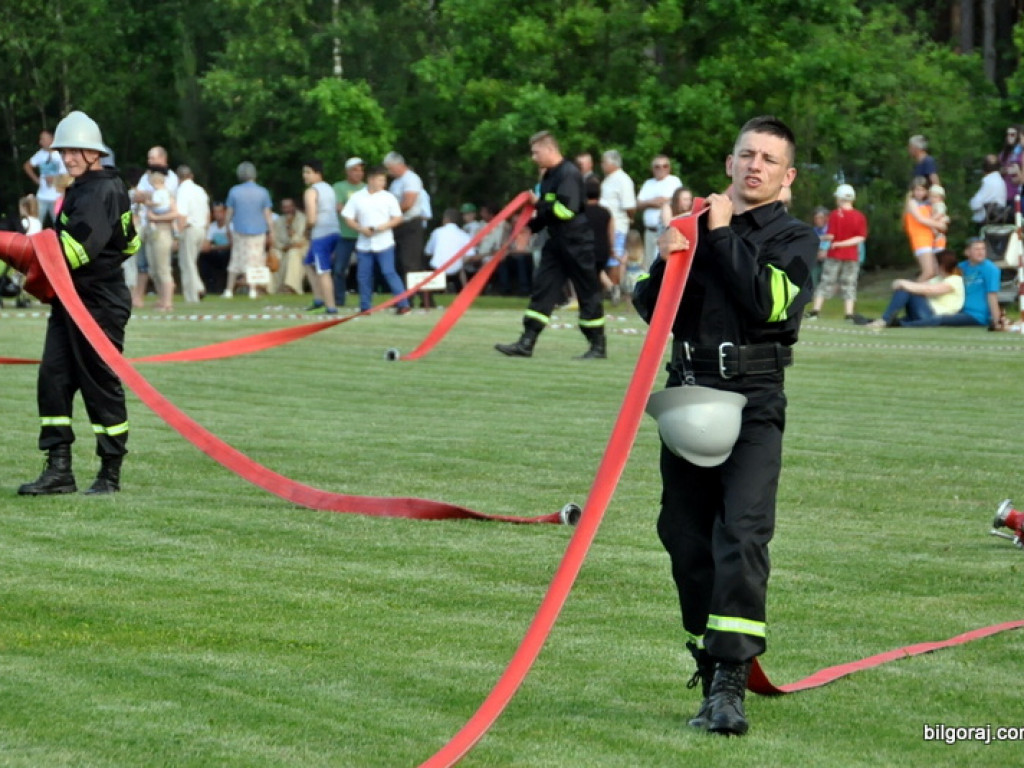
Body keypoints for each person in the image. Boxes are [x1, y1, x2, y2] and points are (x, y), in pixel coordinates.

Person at [633, 115, 818, 736]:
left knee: (741, 533)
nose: (755, 165)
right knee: (682, 535)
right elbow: (649, 305)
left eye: (768, 159)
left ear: (786, 176)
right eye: (746, 155)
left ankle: (730, 683)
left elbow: (770, 306)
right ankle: (706, 660)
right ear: (730, 163)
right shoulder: (689, 229)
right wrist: (664, 263)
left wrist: (717, 233)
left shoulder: (793, 235)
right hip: (689, 394)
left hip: (755, 398)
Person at [4, 111, 140, 495]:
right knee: (54, 379)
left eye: (78, 150)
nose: (69, 157)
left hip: (98, 305)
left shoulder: (100, 190)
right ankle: (58, 470)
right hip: (72, 300)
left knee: (99, 384)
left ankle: (109, 474)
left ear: (95, 153)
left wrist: (14, 248)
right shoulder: (87, 187)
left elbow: (73, 253)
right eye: (64, 150)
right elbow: (131, 243)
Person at [496, 131, 606, 359]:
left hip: (577, 242)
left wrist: (539, 204)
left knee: (587, 292)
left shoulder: (569, 173)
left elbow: (566, 210)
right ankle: (526, 342)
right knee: (543, 288)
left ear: (550, 149)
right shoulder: (549, 176)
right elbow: (550, 211)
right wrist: (531, 227)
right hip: (556, 242)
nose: (534, 157)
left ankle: (597, 345)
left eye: (536, 153)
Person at [340, 164, 411, 314]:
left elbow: (398, 218)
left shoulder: (388, 197)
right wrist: (360, 229)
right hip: (364, 243)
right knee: (364, 275)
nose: (382, 184)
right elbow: (348, 218)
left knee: (389, 272)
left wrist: (384, 226)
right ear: (371, 180)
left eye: (383, 180)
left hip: (385, 242)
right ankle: (365, 306)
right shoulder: (358, 197)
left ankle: (402, 303)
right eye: (379, 180)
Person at [898, 237, 1001, 328]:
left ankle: (905, 325)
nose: (981, 252)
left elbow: (992, 295)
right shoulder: (961, 267)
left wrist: (997, 320)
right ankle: (898, 320)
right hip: (959, 310)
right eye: (976, 249)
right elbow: (942, 278)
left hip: (977, 315)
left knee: (941, 319)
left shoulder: (991, 269)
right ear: (967, 252)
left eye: (983, 249)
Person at [806, 184, 868, 322]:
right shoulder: (859, 216)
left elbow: (831, 236)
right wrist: (845, 243)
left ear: (840, 198)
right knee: (849, 284)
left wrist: (817, 238)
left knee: (826, 281)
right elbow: (860, 237)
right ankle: (849, 314)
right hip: (852, 256)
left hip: (835, 254)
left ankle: (815, 311)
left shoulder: (835, 214)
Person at [868, 249, 964, 328]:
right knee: (907, 289)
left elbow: (929, 290)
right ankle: (886, 319)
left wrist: (902, 283)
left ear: (942, 265)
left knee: (906, 289)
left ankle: (885, 319)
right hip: (925, 311)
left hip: (932, 316)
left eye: (934, 263)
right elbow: (920, 286)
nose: (932, 265)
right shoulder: (938, 278)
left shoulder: (955, 280)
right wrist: (905, 284)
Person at [223, 161, 273, 299]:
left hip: (239, 230)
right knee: (255, 260)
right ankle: (253, 290)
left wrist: (227, 228)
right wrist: (271, 231)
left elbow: (229, 213)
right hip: (258, 230)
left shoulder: (234, 191)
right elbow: (267, 214)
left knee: (236, 259)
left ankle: (228, 290)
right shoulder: (263, 192)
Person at [383, 151, 427, 306]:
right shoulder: (396, 182)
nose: (389, 172)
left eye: (390, 168)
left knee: (411, 262)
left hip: (410, 224)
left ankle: (409, 298)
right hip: (398, 224)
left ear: (398, 164)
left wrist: (390, 214)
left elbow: (408, 203)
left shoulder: (411, 179)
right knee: (401, 262)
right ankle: (405, 296)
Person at [301, 159, 341, 314]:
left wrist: (306, 230)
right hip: (334, 230)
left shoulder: (311, 191)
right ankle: (318, 298)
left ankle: (331, 306)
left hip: (321, 234)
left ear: (317, 173)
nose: (304, 176)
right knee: (308, 262)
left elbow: (311, 218)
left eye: (308, 172)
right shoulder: (330, 188)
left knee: (323, 270)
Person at [599, 149, 636, 297]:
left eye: (604, 162)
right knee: (607, 256)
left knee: (615, 258)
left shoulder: (623, 180)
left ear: (612, 163)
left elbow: (630, 206)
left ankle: (615, 288)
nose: (601, 165)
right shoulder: (608, 179)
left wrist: (630, 218)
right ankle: (609, 288)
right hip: (606, 225)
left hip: (618, 226)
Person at [636, 155, 683, 268]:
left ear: (669, 168)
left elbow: (678, 200)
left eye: (665, 166)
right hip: (650, 231)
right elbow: (638, 203)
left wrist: (652, 202)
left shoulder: (674, 181)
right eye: (657, 166)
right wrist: (655, 202)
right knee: (648, 264)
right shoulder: (648, 183)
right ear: (653, 169)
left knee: (664, 263)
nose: (661, 169)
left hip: (666, 231)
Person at [143, 169, 178, 312]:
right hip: (152, 232)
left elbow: (175, 212)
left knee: (163, 268)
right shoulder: (156, 194)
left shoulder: (166, 195)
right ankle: (161, 298)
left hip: (163, 231)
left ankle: (167, 302)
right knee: (154, 268)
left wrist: (155, 217)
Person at [174, 165, 210, 303]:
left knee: (186, 263)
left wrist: (178, 234)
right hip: (201, 228)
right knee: (192, 262)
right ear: (191, 176)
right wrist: (206, 233)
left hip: (189, 228)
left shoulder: (182, 191)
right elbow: (207, 213)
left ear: (178, 178)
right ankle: (197, 288)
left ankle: (194, 294)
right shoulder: (200, 190)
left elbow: (182, 214)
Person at [332, 157, 366, 304]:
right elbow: (338, 206)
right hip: (344, 234)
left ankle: (365, 299)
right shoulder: (339, 187)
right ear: (347, 172)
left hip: (363, 235)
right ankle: (339, 299)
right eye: (355, 170)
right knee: (339, 268)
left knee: (365, 270)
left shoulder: (366, 187)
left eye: (360, 170)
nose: (359, 173)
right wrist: (354, 216)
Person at [903, 176, 945, 280]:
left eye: (922, 190)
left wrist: (944, 220)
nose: (920, 193)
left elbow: (940, 214)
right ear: (912, 190)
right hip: (920, 239)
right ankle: (913, 293)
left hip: (931, 239)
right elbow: (920, 219)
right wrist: (938, 225)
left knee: (936, 271)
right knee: (928, 272)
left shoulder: (929, 203)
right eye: (917, 190)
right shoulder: (912, 202)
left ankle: (926, 294)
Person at [22, 130, 67, 227]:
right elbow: (27, 166)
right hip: (41, 196)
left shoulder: (61, 155)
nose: (40, 142)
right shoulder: (40, 154)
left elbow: (68, 176)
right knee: (35, 225)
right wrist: (37, 180)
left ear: (52, 139)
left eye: (43, 139)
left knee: (60, 227)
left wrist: (55, 179)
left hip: (57, 197)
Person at [425, 208, 474, 292]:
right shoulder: (464, 235)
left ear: (446, 219)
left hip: (438, 267)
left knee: (430, 263)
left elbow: (428, 251)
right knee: (461, 268)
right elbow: (470, 255)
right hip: (456, 268)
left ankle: (440, 290)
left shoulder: (437, 232)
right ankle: (466, 290)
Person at [269, 198, 308, 295]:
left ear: (294, 207)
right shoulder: (279, 221)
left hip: (301, 250)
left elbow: (301, 241)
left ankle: (290, 287)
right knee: (274, 254)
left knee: (293, 253)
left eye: (289, 207)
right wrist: (282, 247)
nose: (287, 209)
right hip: (284, 249)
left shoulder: (303, 219)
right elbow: (275, 240)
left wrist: (291, 231)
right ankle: (272, 288)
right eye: (285, 207)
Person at [199, 202, 231, 296]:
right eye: (215, 212)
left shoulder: (231, 225)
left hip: (228, 254)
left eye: (220, 211)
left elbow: (232, 245)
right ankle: (210, 286)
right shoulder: (212, 226)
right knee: (203, 256)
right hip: (216, 254)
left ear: (225, 212)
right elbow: (207, 243)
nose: (217, 214)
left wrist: (214, 247)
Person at [969, 154, 1009, 228]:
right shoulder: (1000, 180)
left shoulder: (989, 181)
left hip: (988, 222)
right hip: (998, 220)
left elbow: (975, 204)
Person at [999, 125, 1023, 204]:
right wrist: (1004, 170)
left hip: (1018, 196)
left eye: (1012, 134)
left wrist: (1017, 171)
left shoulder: (1022, 154)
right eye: (1008, 134)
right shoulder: (1004, 153)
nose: (1009, 137)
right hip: (1004, 195)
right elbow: (996, 169)